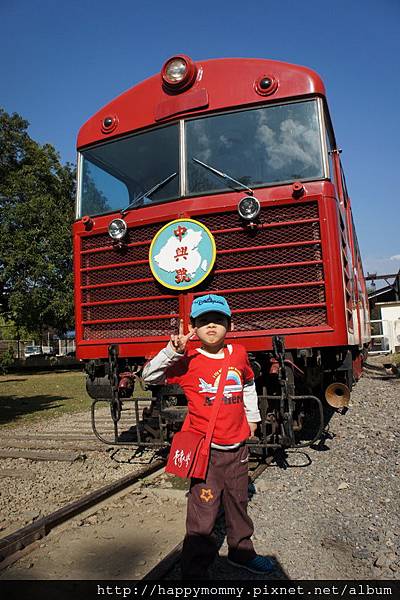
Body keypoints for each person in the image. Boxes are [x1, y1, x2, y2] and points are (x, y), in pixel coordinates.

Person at [142, 293, 275, 579]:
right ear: (193, 327)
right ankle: (194, 571)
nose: (211, 326)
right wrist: (172, 350)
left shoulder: (238, 354)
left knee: (238, 503)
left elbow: (248, 382)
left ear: (229, 324)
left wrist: (253, 417)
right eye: (203, 321)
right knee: (203, 514)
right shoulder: (186, 360)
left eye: (217, 320)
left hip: (237, 448)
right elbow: (148, 378)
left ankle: (241, 552)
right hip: (207, 453)